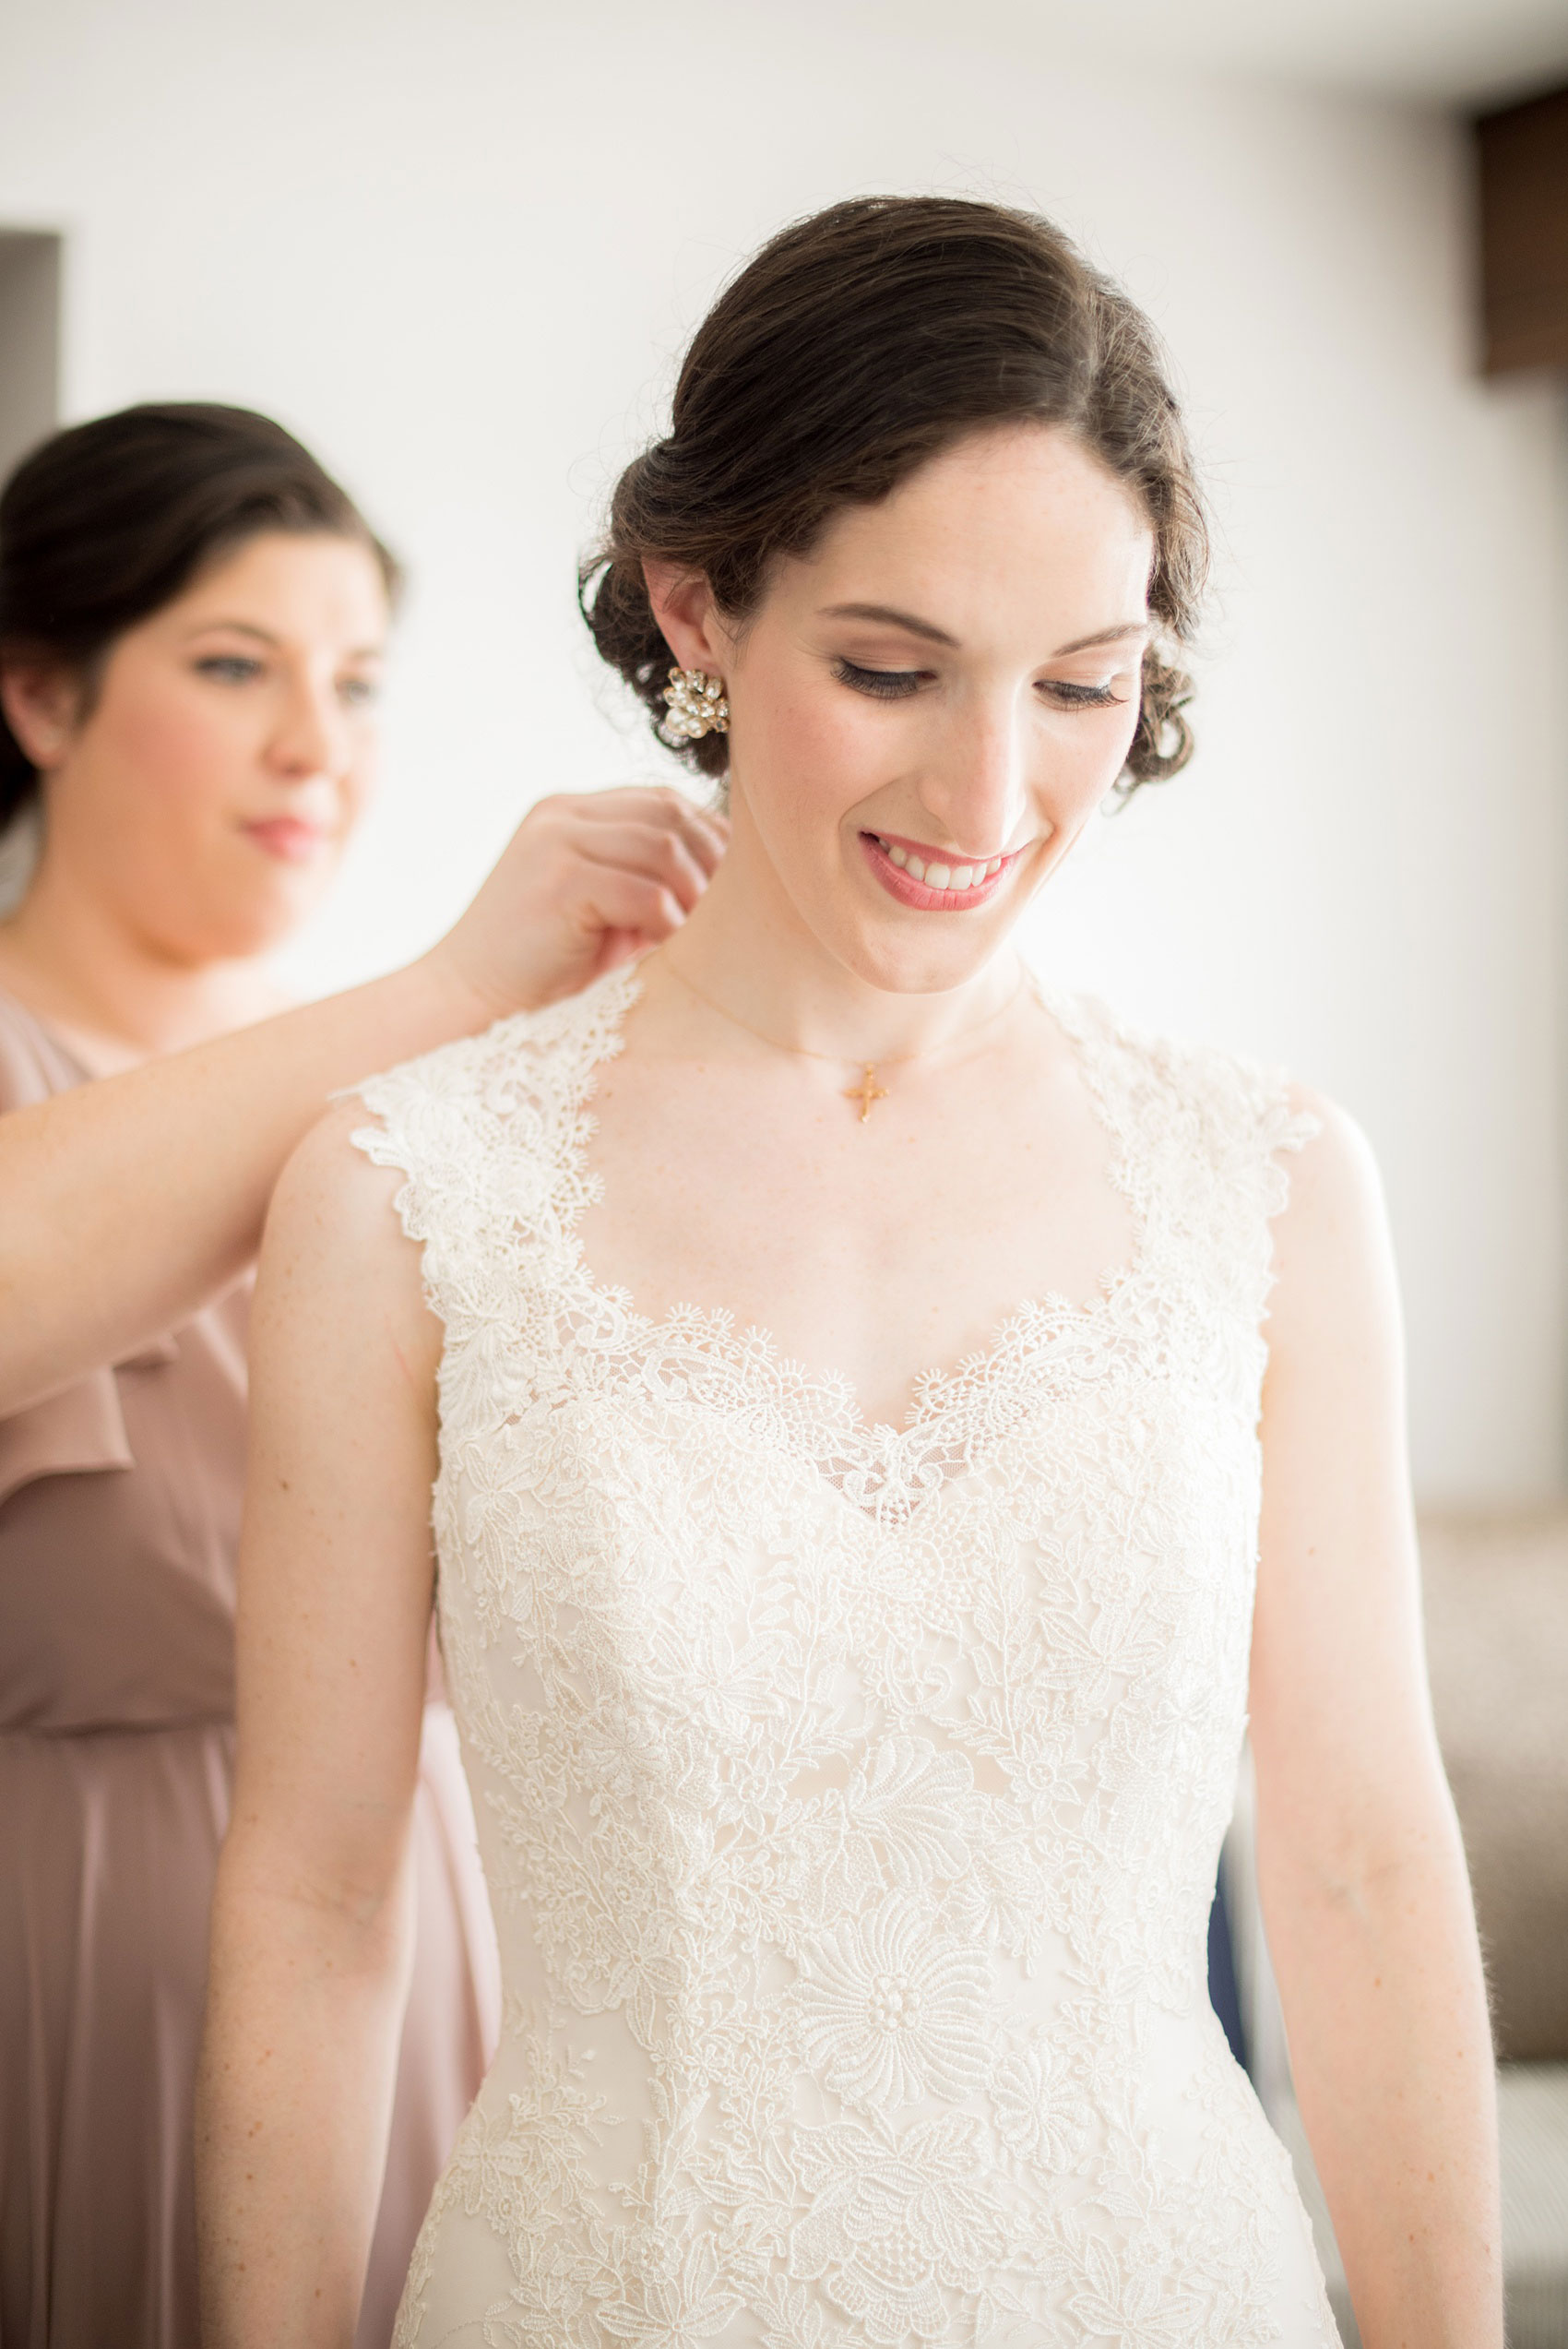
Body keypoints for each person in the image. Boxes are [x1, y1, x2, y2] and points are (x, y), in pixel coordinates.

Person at [198, 200, 1503, 2349]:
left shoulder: (1264, 1181)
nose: (990, 792)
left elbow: (1361, 1857)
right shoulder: (407, 1193)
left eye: (1085, 685)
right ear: (696, 606)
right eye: (889, 669)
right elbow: (320, 1894)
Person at [0, 400, 723, 2349]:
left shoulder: (418, 1107)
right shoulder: (374, 1036)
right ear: (42, 697)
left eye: (355, 680)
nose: (316, 744)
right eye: (235, 668)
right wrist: (452, 986)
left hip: (449, 1980)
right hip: (81, 1999)